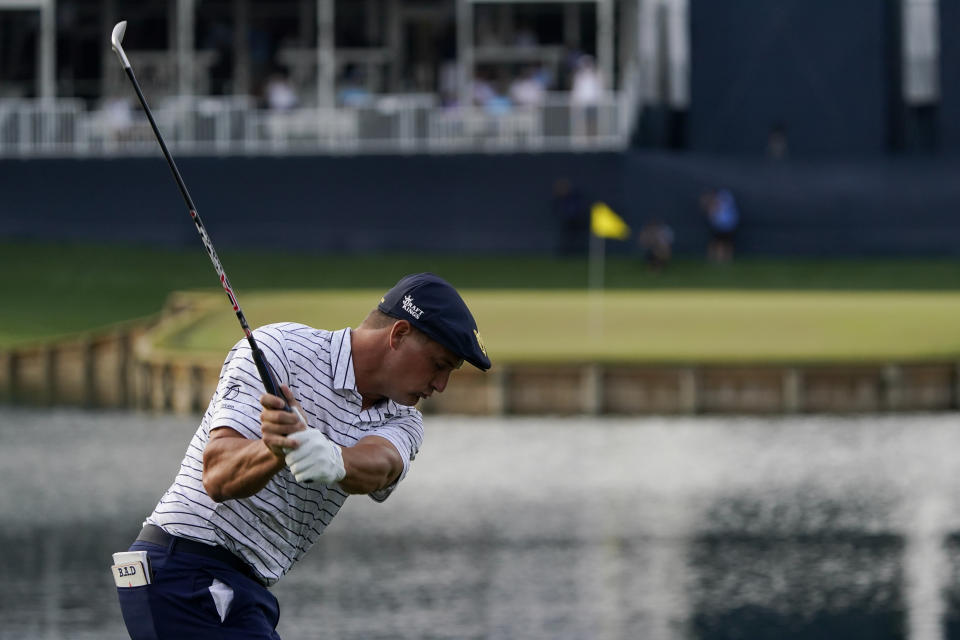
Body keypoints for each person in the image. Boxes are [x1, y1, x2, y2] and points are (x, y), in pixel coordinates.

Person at [113, 273, 491, 639]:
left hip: (237, 591)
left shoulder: (405, 420)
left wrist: (334, 459)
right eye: (439, 365)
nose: (441, 385)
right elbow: (217, 476)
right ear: (400, 334)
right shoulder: (282, 350)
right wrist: (275, 448)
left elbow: (382, 464)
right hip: (185, 570)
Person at [700, 187, 740, 263]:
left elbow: (713, 208)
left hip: (726, 224)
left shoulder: (723, 198)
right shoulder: (723, 198)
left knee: (725, 243)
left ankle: (723, 259)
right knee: (717, 243)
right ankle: (716, 259)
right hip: (720, 224)